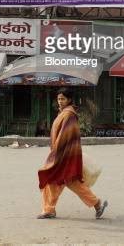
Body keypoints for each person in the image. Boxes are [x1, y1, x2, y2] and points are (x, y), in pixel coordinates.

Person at [37, 87, 108, 219]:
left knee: (55, 178)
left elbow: (66, 137)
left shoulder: (69, 114)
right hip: (64, 154)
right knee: (61, 181)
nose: (60, 101)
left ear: (69, 99)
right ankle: (49, 209)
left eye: (63, 99)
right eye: (58, 99)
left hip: (64, 155)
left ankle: (97, 204)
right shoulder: (63, 112)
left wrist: (55, 154)